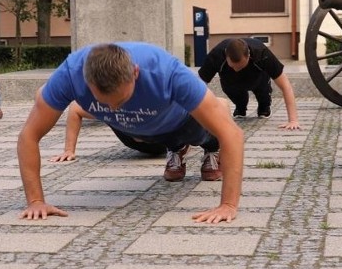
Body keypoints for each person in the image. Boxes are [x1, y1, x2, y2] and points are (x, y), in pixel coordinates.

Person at [17, 42, 244, 224]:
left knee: (205, 135)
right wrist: (36, 201)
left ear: (135, 73)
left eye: (121, 100)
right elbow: (29, 135)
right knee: (46, 97)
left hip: (182, 121)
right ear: (86, 81)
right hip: (136, 129)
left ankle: (210, 136)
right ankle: (175, 147)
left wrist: (228, 205)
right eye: (105, 103)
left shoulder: (165, 71)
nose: (115, 107)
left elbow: (233, 135)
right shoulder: (70, 74)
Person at [198, 38, 301, 130]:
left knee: (263, 94)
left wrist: (293, 120)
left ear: (249, 55)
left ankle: (264, 106)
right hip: (230, 82)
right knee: (234, 95)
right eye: (233, 66)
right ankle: (240, 106)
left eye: (240, 66)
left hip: (258, 79)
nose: (237, 70)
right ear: (226, 55)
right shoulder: (216, 55)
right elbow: (198, 87)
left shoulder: (261, 53)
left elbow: (285, 86)